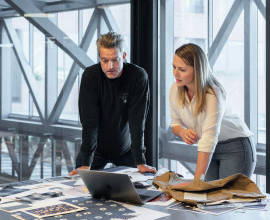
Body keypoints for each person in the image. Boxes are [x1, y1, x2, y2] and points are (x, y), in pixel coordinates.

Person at [69, 31, 156, 175]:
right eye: (104, 60)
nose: (110, 66)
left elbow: (137, 120)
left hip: (126, 149)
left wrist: (140, 161)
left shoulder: (138, 76)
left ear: (123, 56)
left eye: (115, 60)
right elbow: (89, 122)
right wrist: (86, 163)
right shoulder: (91, 76)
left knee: (140, 188)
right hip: (96, 150)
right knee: (80, 186)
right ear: (99, 58)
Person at [169, 43, 256, 181]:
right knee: (209, 197)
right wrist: (183, 132)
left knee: (227, 199)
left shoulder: (213, 93)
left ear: (197, 70)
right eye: (174, 67)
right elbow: (175, 123)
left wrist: (196, 182)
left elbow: (209, 137)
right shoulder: (175, 89)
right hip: (209, 148)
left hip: (235, 147)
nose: (175, 73)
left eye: (182, 69)